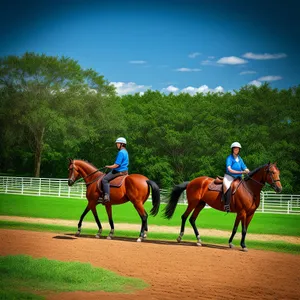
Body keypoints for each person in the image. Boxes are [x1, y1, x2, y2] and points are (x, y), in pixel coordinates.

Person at [98, 137, 129, 204]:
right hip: (125, 171)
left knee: (104, 180)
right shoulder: (125, 152)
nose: (116, 145)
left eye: (117, 143)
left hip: (119, 171)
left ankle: (106, 196)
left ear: (122, 144)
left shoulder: (121, 152)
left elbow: (116, 165)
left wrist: (108, 166)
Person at [223, 142, 250, 212]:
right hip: (229, 177)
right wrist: (242, 172)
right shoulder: (229, 158)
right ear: (232, 149)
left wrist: (247, 170)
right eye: (235, 149)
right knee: (228, 187)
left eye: (237, 149)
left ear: (239, 150)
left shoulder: (240, 159)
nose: (236, 150)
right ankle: (227, 205)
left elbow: (244, 167)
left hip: (239, 177)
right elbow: (230, 169)